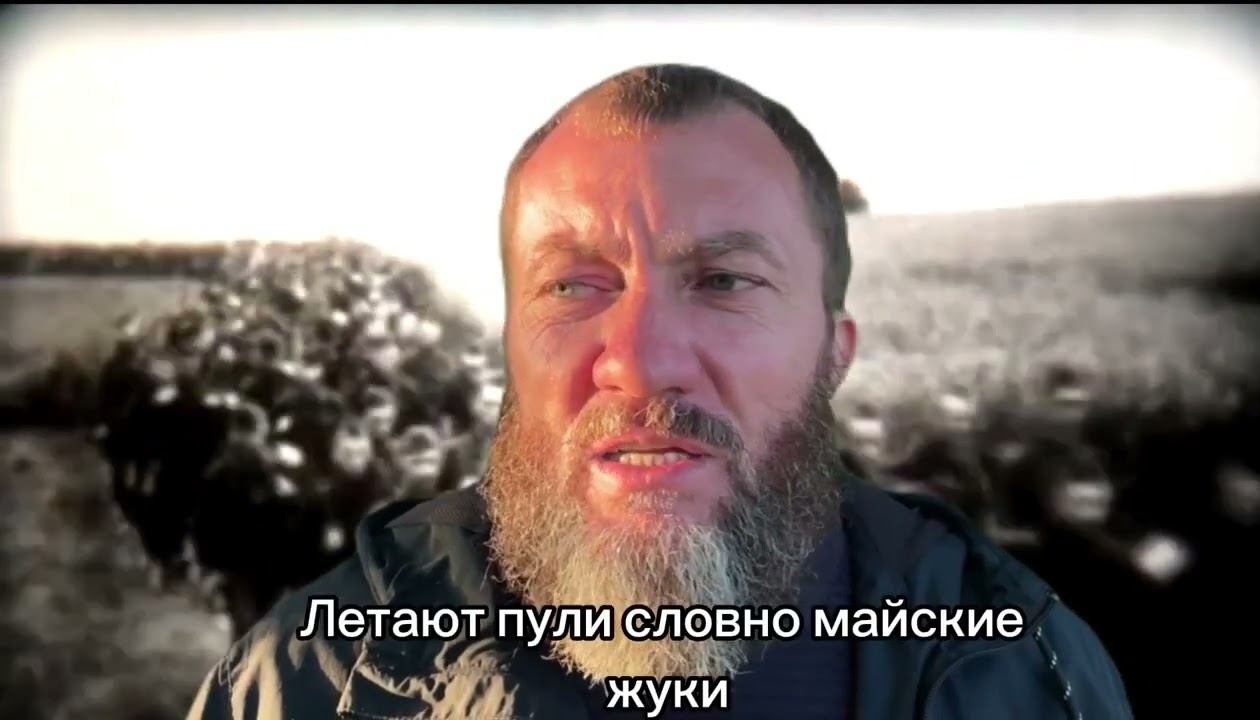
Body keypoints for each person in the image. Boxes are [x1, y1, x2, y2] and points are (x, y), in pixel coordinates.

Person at [185, 64, 1133, 720]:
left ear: (833, 352)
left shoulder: (1020, 669)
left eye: (724, 281)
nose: (638, 364)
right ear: (512, 345)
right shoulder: (312, 680)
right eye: (573, 286)